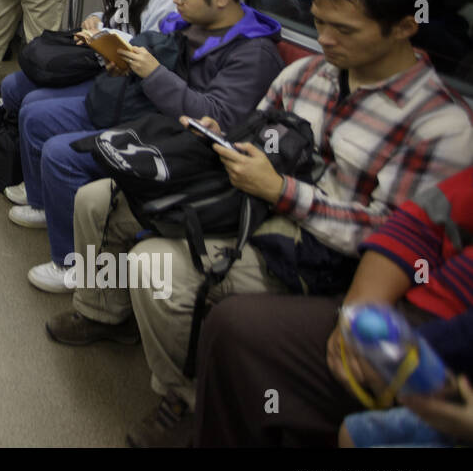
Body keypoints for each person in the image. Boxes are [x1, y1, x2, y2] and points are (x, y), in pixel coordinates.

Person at [47, 0, 473, 447]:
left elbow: (393, 237)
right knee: (100, 197)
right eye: (317, 24)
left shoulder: (439, 126)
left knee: (152, 265)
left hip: (312, 245)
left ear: (404, 27)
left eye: (345, 31)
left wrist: (282, 191)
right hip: (250, 196)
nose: (325, 40)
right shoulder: (307, 75)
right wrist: (219, 135)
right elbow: (255, 127)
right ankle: (103, 311)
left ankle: (186, 397)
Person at [10, 0, 284, 294]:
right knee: (37, 115)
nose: (176, 1)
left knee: (61, 154)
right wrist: (124, 64)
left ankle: (72, 264)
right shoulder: (189, 24)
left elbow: (215, 118)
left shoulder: (253, 54)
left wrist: (153, 73)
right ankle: (49, 206)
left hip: (183, 141)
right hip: (147, 107)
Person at [193, 167, 473, 447]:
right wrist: (359, 312)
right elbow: (418, 225)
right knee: (231, 326)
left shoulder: (439, 129)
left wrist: (282, 191)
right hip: (406, 301)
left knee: (225, 316)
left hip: (444, 346)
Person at [0, 0, 176, 131]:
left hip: (123, 80)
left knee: (33, 104)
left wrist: (106, 35)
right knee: (9, 85)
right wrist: (95, 20)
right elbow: (114, 19)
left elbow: (152, 50)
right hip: (100, 64)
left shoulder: (166, 0)